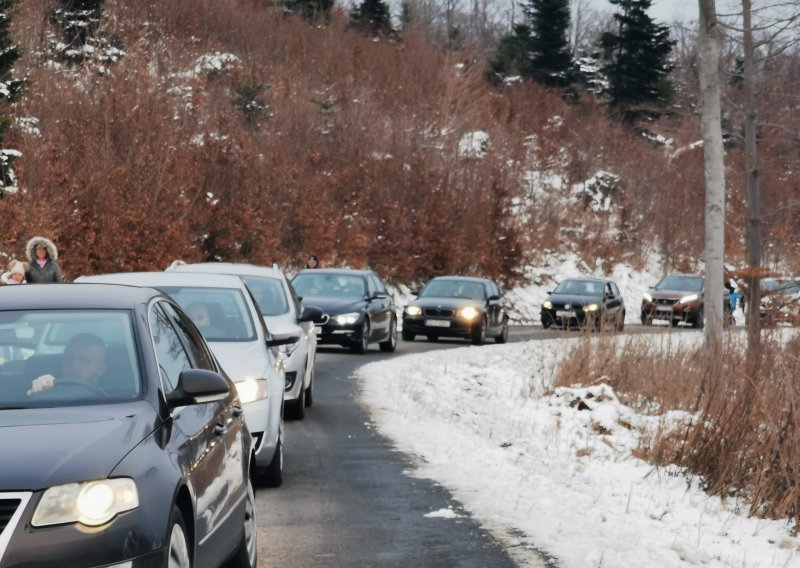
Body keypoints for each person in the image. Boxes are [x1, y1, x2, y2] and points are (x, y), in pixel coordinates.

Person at [27, 333, 108, 395]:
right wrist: (39, 392)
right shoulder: (49, 391)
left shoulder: (112, 402)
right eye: (69, 358)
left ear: (101, 369)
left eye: (84, 360)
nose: (74, 365)